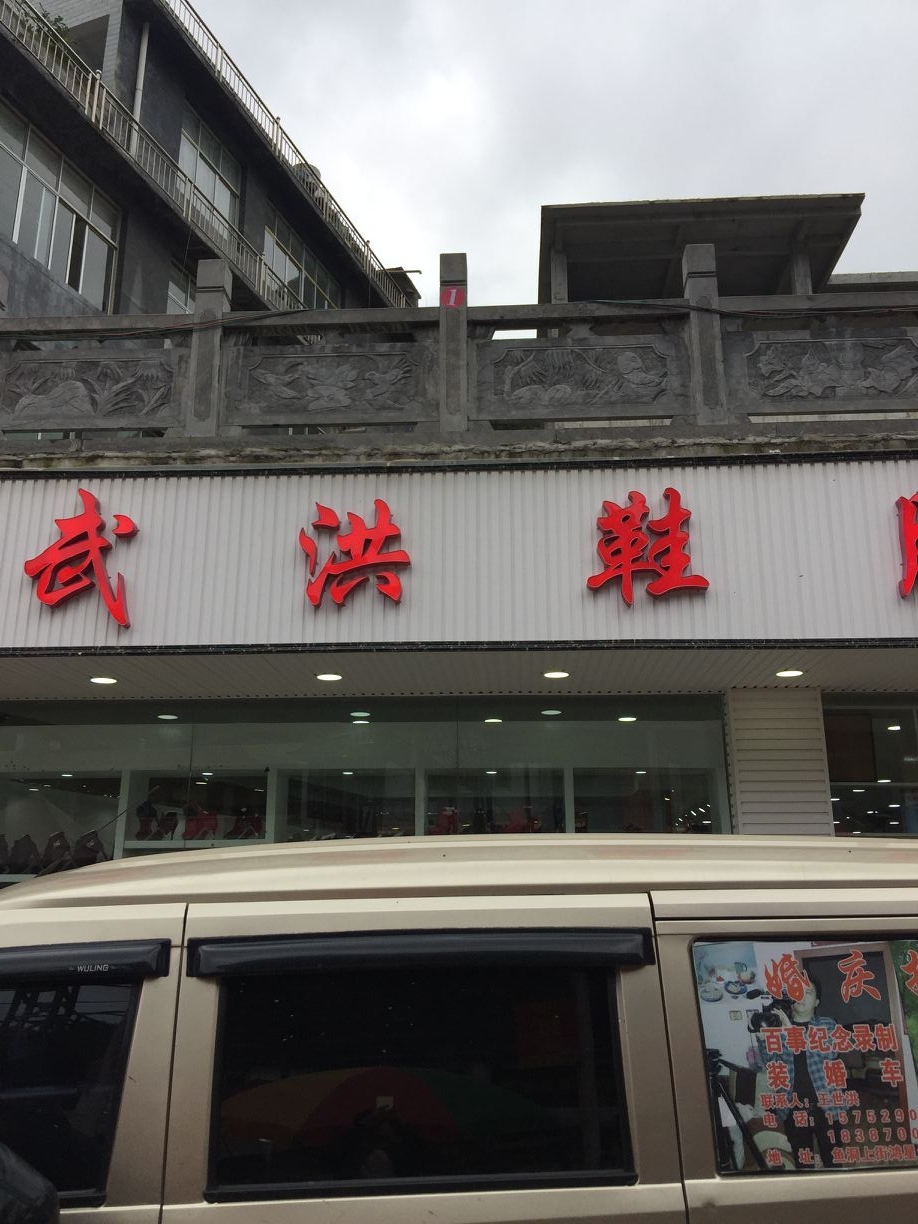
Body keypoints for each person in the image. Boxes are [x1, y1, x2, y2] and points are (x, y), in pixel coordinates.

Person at [754, 973, 839, 1169]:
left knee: (834, 1160)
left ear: (816, 1002)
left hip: (826, 1105)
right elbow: (771, 1063)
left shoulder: (827, 1024)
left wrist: (789, 1031)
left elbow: (830, 1052)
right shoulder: (777, 1027)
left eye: (808, 992)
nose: (801, 995)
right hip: (792, 1107)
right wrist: (763, 1040)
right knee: (803, 1163)